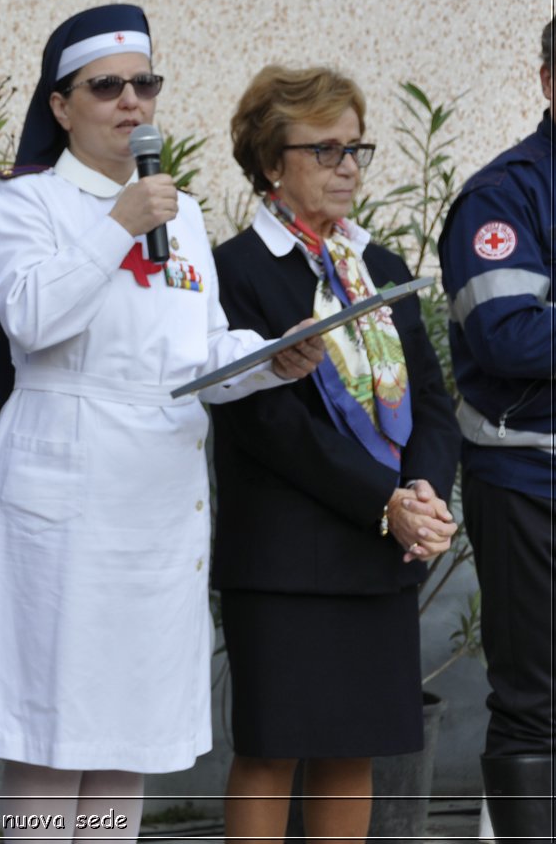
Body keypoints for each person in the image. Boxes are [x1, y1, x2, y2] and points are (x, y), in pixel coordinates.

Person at [0, 4, 325, 842]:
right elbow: (32, 321)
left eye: (146, 85)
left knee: (128, 733)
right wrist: (118, 223)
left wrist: (272, 356)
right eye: (107, 87)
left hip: (156, 503)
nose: (132, 103)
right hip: (69, 494)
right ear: (61, 105)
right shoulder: (31, 202)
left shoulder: (184, 213)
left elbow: (190, 354)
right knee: (52, 731)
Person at [210, 65, 461, 844]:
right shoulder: (237, 269)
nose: (348, 166)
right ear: (270, 160)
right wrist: (378, 497)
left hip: (378, 543)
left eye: (356, 148)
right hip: (285, 554)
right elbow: (269, 424)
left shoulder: (377, 268)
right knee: (271, 750)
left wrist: (418, 491)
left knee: (352, 750)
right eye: (325, 149)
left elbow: (432, 401)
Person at [438, 0, 556, 844]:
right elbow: (507, 335)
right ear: (547, 77)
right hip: (538, 480)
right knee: (543, 711)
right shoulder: (506, 193)